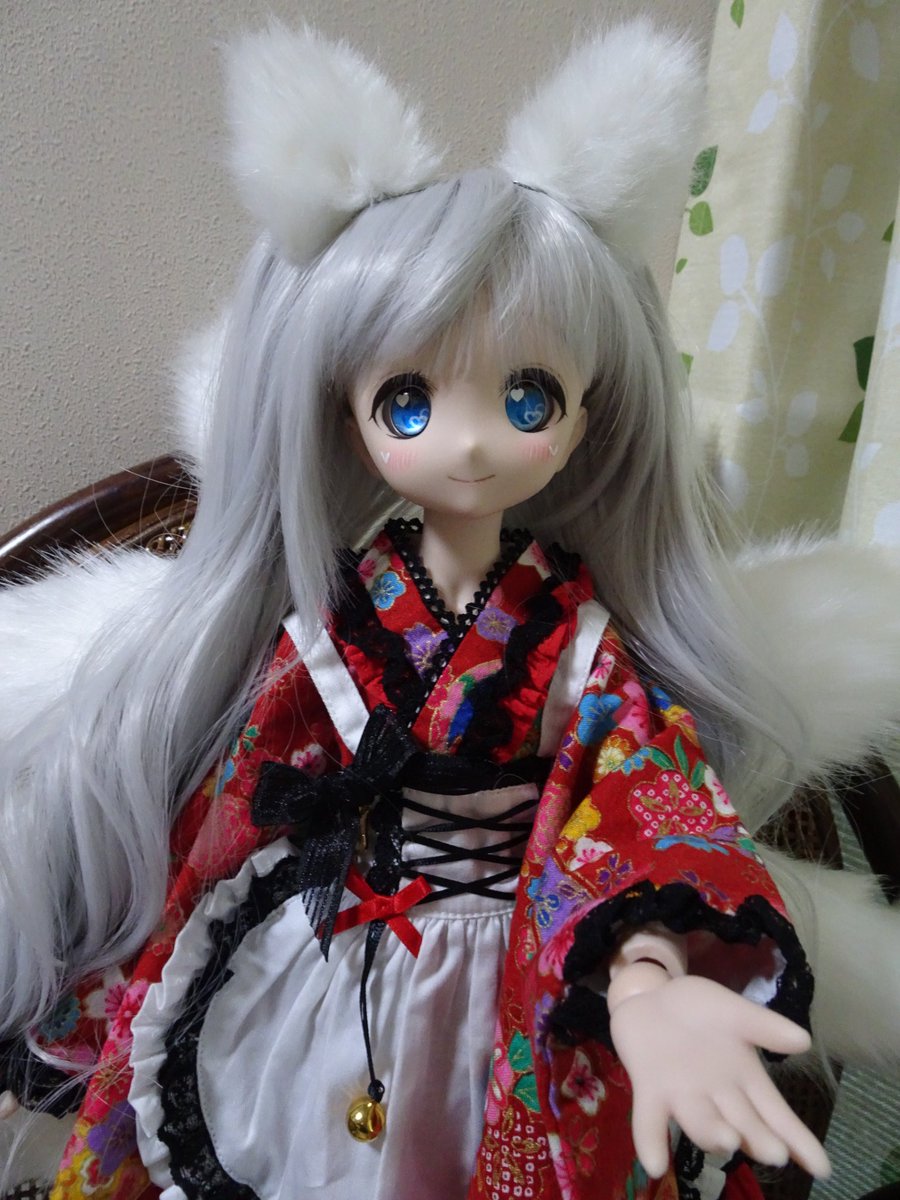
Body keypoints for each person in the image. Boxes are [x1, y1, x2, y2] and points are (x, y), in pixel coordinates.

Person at [0, 19, 841, 1200]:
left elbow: (637, 818)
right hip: (319, 961)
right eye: (408, 402)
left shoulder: (578, 651)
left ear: (590, 417)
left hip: (521, 979)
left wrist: (647, 980)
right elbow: (234, 816)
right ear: (342, 414)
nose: (472, 442)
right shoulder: (331, 630)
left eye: (528, 396)